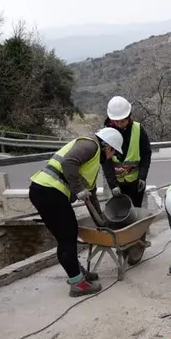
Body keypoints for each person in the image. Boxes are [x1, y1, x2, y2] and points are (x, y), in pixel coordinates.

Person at [28, 127, 124, 297]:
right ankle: (78, 283)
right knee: (68, 237)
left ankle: (77, 274)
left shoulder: (92, 162)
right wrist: (78, 189)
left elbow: (91, 196)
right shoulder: (90, 145)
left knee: (65, 236)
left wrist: (101, 223)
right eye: (113, 153)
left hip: (46, 191)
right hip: (49, 191)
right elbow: (68, 163)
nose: (112, 157)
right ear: (108, 148)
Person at [101, 96, 152, 208]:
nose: (120, 124)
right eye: (116, 121)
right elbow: (105, 161)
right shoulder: (105, 134)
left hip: (135, 181)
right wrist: (113, 185)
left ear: (129, 116)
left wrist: (143, 177)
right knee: (121, 211)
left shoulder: (138, 129)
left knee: (136, 210)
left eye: (123, 121)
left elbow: (146, 154)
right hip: (117, 182)